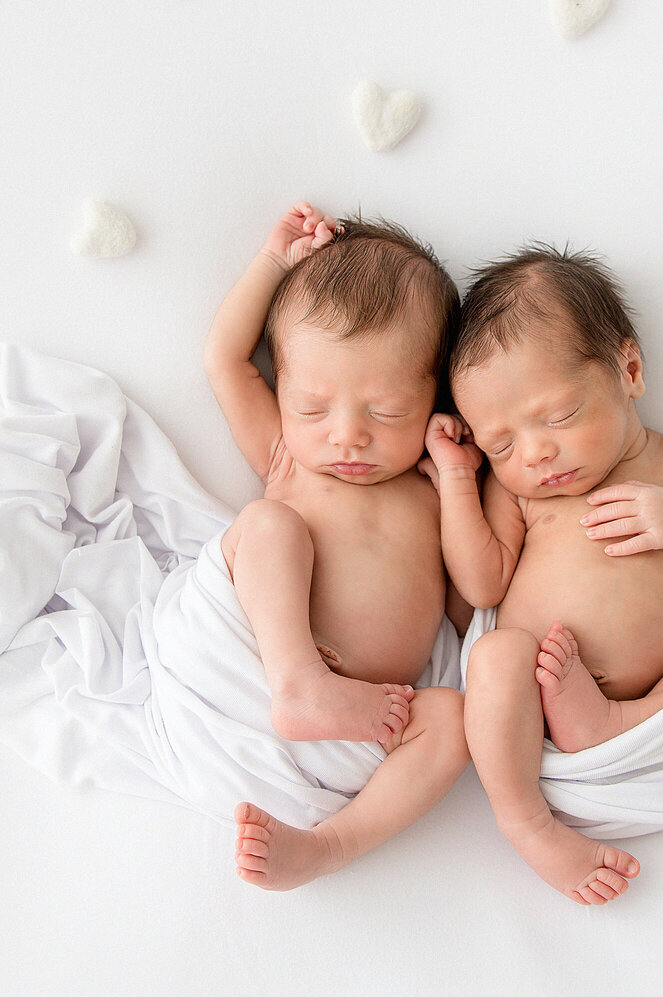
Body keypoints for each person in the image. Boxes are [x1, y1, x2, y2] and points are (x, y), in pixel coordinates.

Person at [423, 244, 663, 905]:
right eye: (503, 444)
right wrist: (462, 478)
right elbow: (483, 584)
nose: (537, 452)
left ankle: (613, 718)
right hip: (534, 695)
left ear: (628, 368)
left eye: (558, 415)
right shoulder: (521, 494)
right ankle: (526, 822)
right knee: (492, 656)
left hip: (661, 695)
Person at [204, 202, 470, 890]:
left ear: (436, 398)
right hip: (267, 674)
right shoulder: (286, 457)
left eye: (385, 412)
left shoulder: (437, 484)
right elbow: (226, 360)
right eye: (314, 408)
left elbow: (475, 599)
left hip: (370, 722)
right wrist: (273, 263)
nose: (346, 435)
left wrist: (458, 478)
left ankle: (329, 845)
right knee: (266, 525)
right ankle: (303, 680)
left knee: (452, 719)